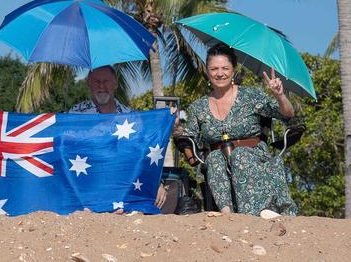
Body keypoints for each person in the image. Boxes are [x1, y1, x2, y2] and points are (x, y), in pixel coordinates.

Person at [183, 44, 297, 216]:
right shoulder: (198, 107)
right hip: (218, 161)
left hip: (253, 156)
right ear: (207, 71)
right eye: (214, 68)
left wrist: (279, 95)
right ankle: (227, 215)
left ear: (233, 70)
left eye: (225, 68)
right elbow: (187, 138)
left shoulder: (251, 96)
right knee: (213, 157)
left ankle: (252, 214)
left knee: (240, 155)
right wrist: (175, 127)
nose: (219, 73)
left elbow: (287, 114)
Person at [69, 65, 169, 210]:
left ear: (115, 84)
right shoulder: (75, 115)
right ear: (89, 84)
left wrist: (157, 182)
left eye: (106, 81)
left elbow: (143, 154)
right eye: (96, 81)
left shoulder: (132, 117)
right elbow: (66, 151)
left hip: (123, 186)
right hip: (88, 185)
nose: (101, 86)